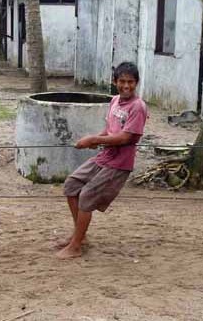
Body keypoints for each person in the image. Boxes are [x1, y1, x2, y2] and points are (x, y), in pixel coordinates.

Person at [56, 62, 147, 259]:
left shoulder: (138, 107)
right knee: (72, 185)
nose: (126, 86)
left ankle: (76, 246)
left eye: (130, 82)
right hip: (105, 156)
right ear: (115, 82)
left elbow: (125, 138)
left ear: (137, 83)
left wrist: (94, 140)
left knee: (86, 196)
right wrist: (96, 139)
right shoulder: (114, 101)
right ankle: (80, 236)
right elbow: (110, 130)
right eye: (122, 81)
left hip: (119, 163)